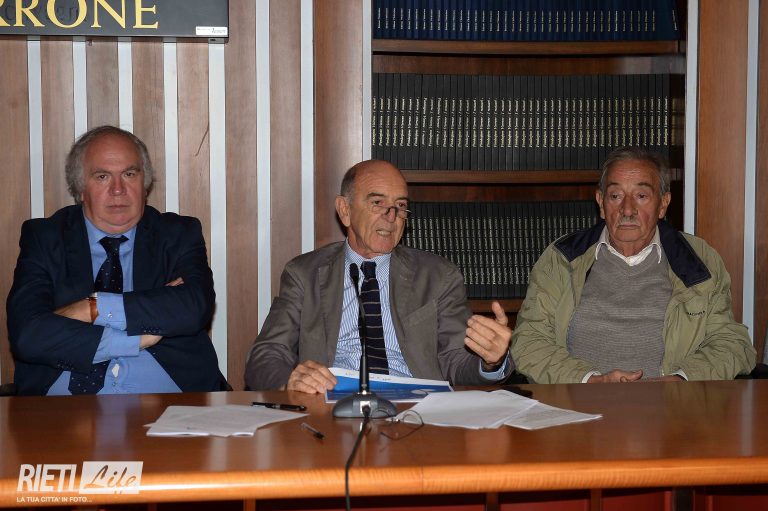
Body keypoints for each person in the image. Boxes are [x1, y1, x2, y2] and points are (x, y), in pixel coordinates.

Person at [245, 159, 512, 393]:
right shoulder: (304, 274)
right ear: (345, 210)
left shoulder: (438, 276)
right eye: (377, 203)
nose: (391, 216)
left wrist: (491, 362)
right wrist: (291, 380)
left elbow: (456, 361)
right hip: (331, 404)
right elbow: (265, 356)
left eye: (400, 206)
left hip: (416, 408)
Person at [7, 125, 227, 395]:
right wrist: (135, 339)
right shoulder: (45, 237)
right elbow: (28, 335)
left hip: (171, 403)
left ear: (145, 184)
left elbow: (194, 307)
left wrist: (93, 308)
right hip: (63, 409)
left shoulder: (177, 234)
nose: (118, 189)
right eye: (102, 176)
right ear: (80, 189)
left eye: (129, 174)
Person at [510, 147, 756, 383]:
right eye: (615, 196)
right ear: (601, 202)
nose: (627, 210)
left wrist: (679, 382)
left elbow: (733, 344)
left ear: (663, 204)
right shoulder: (562, 257)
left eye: (641, 196)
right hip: (578, 402)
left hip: (671, 405)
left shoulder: (697, 259)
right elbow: (529, 341)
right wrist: (591, 381)